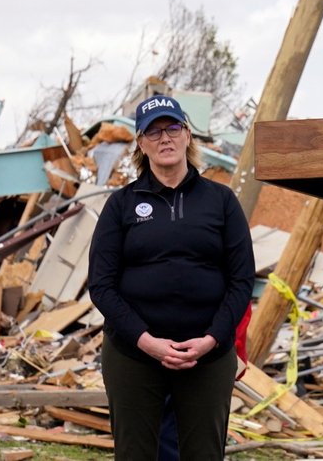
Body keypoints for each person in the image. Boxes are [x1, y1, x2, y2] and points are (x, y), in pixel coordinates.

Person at [88, 94, 255, 459]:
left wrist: (212, 339)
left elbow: (242, 280)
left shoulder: (222, 201)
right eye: (154, 131)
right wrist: (146, 340)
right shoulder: (121, 205)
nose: (165, 138)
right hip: (134, 355)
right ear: (141, 143)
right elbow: (101, 285)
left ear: (188, 135)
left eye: (173, 127)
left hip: (207, 357)